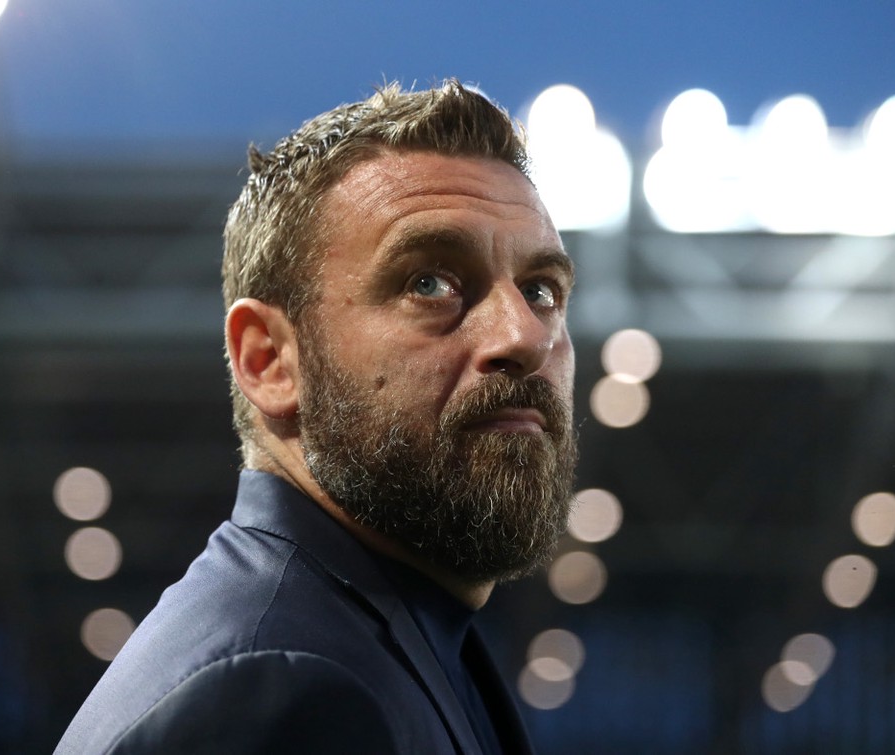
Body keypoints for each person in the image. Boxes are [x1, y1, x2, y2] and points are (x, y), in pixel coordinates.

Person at [57, 79, 578, 754]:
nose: (524, 335)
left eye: (541, 291)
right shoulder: (272, 691)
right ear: (269, 359)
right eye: (431, 282)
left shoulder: (392, 633)